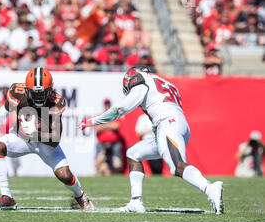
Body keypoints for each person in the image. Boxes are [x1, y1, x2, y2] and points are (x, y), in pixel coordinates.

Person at [78, 66, 224, 214]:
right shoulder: (164, 82)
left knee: (177, 166)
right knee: (133, 153)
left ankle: (209, 188)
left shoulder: (142, 80)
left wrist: (94, 120)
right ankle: (136, 202)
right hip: (178, 124)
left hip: (167, 124)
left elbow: (121, 109)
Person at [0, 67, 94, 210]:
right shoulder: (17, 93)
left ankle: (80, 195)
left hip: (44, 143)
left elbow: (55, 139)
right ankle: (7, 197)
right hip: (20, 138)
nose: (39, 97)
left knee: (65, 175)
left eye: (42, 93)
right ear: (27, 89)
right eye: (35, 93)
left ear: (50, 90)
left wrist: (36, 133)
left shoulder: (56, 101)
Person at [94, 98, 126, 175]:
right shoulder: (99, 116)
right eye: (106, 104)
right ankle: (102, 170)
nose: (107, 106)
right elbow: (97, 128)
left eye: (108, 104)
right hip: (102, 144)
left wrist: (104, 126)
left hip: (114, 144)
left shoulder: (115, 115)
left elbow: (117, 126)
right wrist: (109, 126)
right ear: (104, 105)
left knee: (117, 162)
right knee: (99, 161)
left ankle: (114, 171)